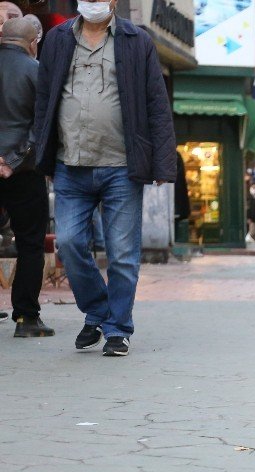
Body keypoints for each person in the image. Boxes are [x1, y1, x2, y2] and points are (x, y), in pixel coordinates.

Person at [35, 0, 175, 356]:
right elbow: (44, 98)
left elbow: (156, 103)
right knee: (67, 242)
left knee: (123, 255)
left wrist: (162, 164)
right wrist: (42, 152)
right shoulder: (56, 38)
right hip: (70, 164)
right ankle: (98, 309)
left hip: (121, 167)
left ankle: (117, 329)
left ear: (114, 1)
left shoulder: (136, 39)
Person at [0, 17, 52, 337]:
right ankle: (26, 318)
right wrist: (13, 161)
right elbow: (40, 127)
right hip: (23, 172)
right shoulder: (36, 71)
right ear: (33, 42)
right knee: (31, 244)